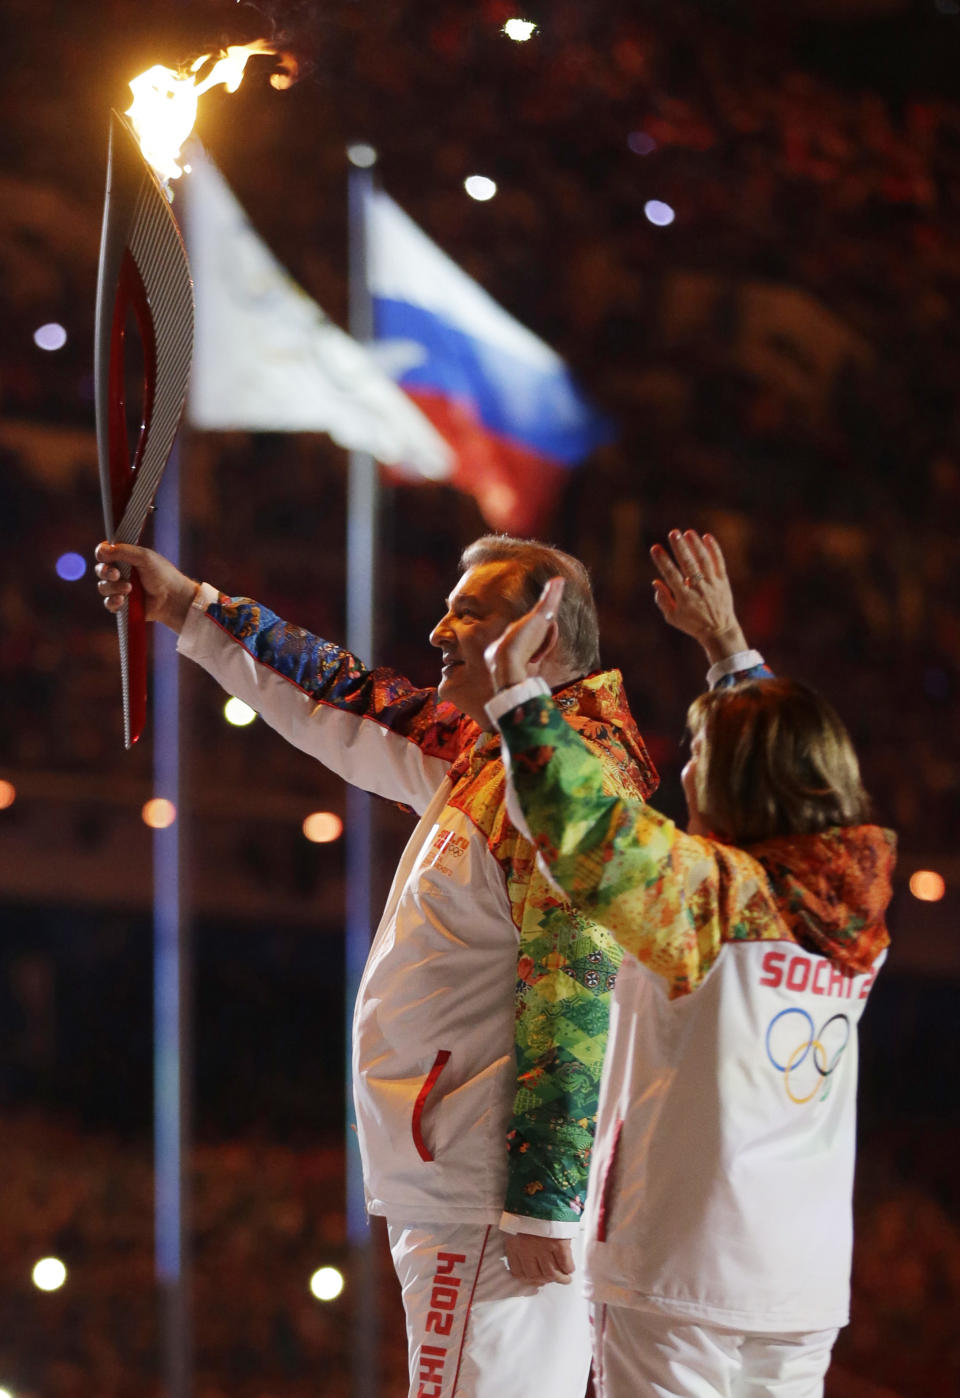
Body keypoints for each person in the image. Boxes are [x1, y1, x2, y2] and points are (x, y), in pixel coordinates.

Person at [96, 531, 680, 1398]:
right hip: (467, 1181)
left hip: (491, 1194)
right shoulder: (494, 754)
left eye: (469, 611)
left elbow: (576, 985)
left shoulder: (567, 780)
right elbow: (346, 698)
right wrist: (189, 604)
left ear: (541, 638)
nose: (440, 629)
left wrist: (540, 1200)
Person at [482, 530, 896, 1398]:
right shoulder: (854, 898)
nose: (683, 769)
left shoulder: (708, 900)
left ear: (739, 780)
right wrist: (728, 652)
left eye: (701, 756)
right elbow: (799, 764)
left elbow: (589, 830)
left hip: (677, 1278)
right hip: (800, 1289)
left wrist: (520, 692)